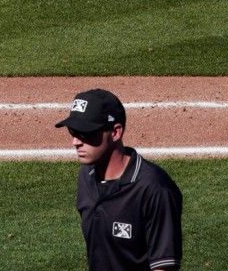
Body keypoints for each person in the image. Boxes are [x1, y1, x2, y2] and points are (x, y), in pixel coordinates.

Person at [56, 88, 182, 271]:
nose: (75, 142)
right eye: (73, 131)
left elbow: (164, 267)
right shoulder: (86, 178)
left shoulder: (154, 188)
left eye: (86, 132)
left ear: (115, 132)